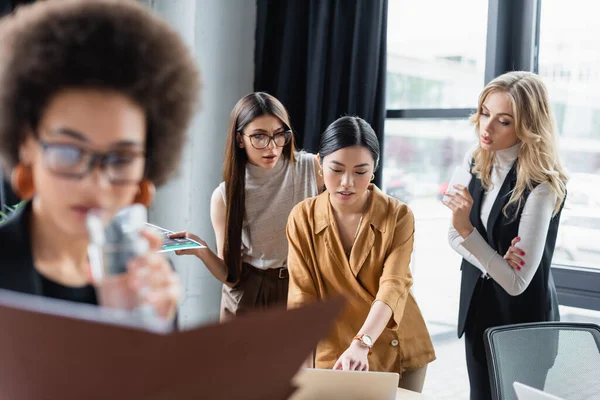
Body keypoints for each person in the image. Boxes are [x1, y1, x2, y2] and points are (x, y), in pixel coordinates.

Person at [0, 0, 200, 320]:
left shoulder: (148, 281)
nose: (96, 182)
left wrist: (147, 333)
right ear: (26, 144)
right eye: (69, 152)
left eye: (120, 159)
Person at [286, 116, 435, 393]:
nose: (347, 182)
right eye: (337, 169)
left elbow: (393, 285)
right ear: (319, 164)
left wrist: (361, 343)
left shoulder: (398, 216)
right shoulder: (302, 217)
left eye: (360, 171)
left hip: (394, 344)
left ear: (374, 170)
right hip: (333, 345)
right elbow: (301, 296)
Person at [443, 71, 568, 399]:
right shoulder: (476, 161)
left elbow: (516, 283)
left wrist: (469, 234)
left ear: (527, 126)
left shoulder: (541, 186)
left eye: (503, 121)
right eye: (485, 113)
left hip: (522, 324)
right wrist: (495, 261)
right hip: (478, 313)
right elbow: (452, 236)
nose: (486, 127)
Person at [169, 92, 323, 319]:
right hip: (248, 293)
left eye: (279, 135)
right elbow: (230, 275)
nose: (271, 147)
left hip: (299, 289)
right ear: (240, 139)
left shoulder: (311, 169)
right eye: (259, 137)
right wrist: (201, 249)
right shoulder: (225, 196)